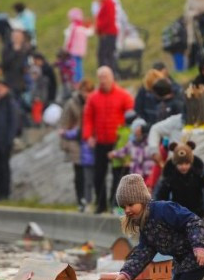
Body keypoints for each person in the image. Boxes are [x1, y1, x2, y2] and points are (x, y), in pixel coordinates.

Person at [148, 84, 204, 174]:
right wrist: (154, 150)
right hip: (175, 171)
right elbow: (155, 129)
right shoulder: (176, 121)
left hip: (201, 172)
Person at [82, 66, 134, 213]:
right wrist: (88, 136)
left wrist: (127, 136)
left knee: (118, 175)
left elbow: (131, 115)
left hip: (117, 142)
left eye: (106, 77)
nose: (103, 81)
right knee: (99, 175)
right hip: (100, 142)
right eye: (101, 78)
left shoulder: (123, 95)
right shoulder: (93, 98)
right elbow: (88, 118)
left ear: (112, 78)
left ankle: (115, 204)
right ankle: (101, 204)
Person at [155, 141, 204, 219]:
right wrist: (161, 210)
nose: (184, 167)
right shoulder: (171, 177)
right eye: (180, 164)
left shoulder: (198, 174)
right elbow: (161, 195)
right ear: (175, 164)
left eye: (187, 163)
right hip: (178, 213)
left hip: (198, 213)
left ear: (191, 162)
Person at [59, 79, 96, 211]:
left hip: (91, 140)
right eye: (85, 91)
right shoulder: (71, 104)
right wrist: (65, 144)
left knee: (92, 174)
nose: (87, 95)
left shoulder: (95, 101)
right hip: (76, 140)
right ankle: (81, 199)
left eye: (89, 91)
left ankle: (90, 200)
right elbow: (64, 123)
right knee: (79, 173)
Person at [109, 117, 155, 186]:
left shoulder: (149, 142)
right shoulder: (132, 142)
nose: (137, 132)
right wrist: (114, 153)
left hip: (147, 175)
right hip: (135, 176)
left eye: (140, 129)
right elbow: (123, 151)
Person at [63, 7, 94, 84]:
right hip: (81, 50)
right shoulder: (82, 27)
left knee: (74, 66)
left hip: (73, 50)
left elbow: (69, 38)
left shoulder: (73, 27)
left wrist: (67, 48)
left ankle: (77, 81)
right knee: (79, 65)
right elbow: (89, 33)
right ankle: (80, 79)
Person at [94, 0, 118, 70]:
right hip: (105, 33)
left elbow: (108, 19)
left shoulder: (108, 3)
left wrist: (98, 28)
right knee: (104, 55)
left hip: (108, 33)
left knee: (106, 55)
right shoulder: (104, 4)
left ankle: (108, 74)